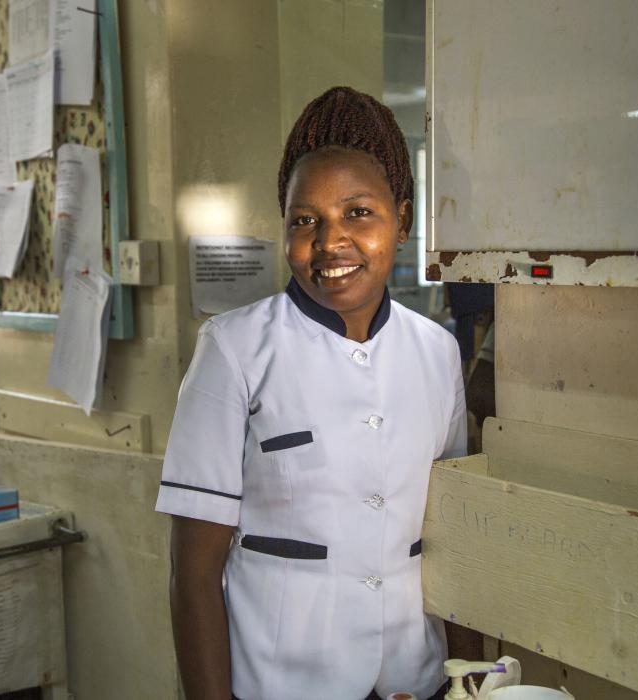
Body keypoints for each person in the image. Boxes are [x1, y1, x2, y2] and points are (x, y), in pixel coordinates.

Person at [155, 86, 467, 700]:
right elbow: (193, 578)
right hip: (281, 683)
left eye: (358, 213)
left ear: (402, 220)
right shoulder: (233, 349)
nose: (329, 243)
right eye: (306, 220)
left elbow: (453, 532)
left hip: (412, 677)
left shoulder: (437, 352)